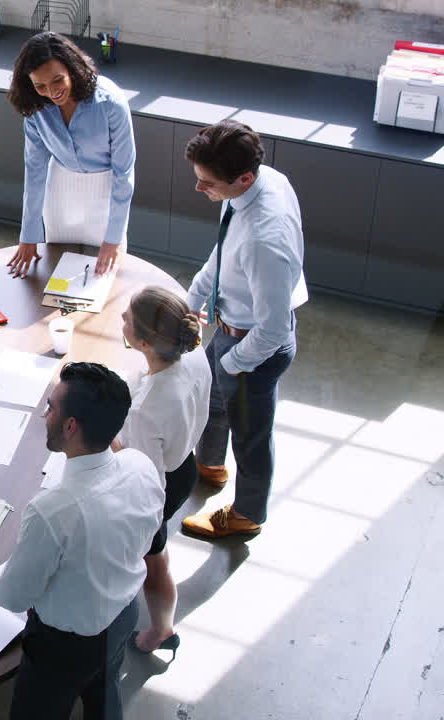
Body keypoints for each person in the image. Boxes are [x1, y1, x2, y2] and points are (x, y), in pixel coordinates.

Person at [0, 363, 164, 720]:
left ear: (71, 426)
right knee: (104, 693)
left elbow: (12, 597)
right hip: (123, 614)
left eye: (52, 407)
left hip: (64, 648)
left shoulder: (52, 511)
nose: (45, 414)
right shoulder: (140, 465)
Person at [178, 120, 306, 540]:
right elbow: (222, 251)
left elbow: (272, 329)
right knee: (214, 401)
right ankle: (210, 466)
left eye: (207, 183)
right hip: (232, 325)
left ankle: (247, 514)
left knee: (251, 435)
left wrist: (232, 362)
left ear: (244, 178)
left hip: (254, 344)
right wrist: (194, 300)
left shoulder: (264, 241)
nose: (199, 190)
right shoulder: (257, 184)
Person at [114, 287, 212, 657]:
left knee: (153, 561)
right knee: (158, 550)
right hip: (185, 461)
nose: (121, 319)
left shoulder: (145, 410)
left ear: (144, 342)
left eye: (127, 319)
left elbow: (142, 474)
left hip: (158, 487)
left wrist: (105, 434)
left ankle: (161, 629)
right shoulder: (194, 353)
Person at [6, 31, 136, 279]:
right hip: (61, 191)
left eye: (57, 80)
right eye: (40, 85)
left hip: (107, 191)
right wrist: (29, 233)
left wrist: (113, 238)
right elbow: (34, 170)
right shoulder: (35, 107)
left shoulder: (111, 102)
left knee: (106, 279)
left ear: (72, 69)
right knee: (57, 274)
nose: (51, 91)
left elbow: (124, 172)